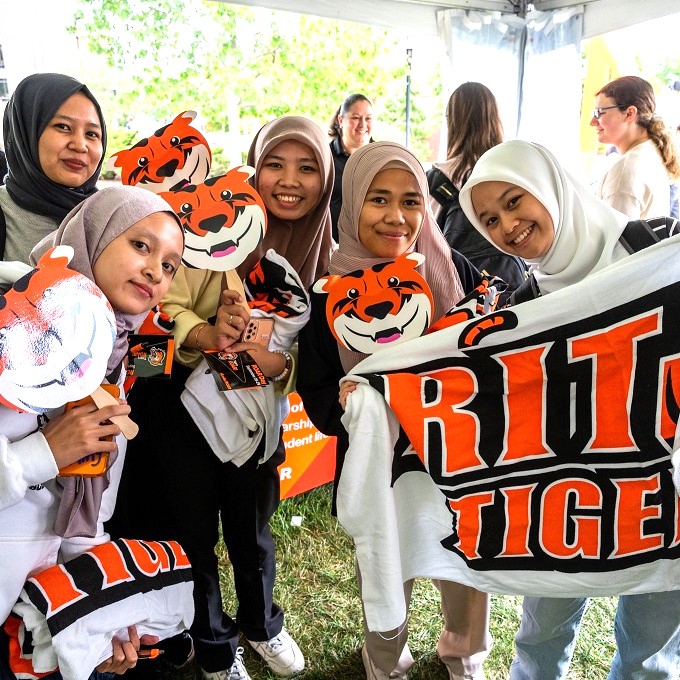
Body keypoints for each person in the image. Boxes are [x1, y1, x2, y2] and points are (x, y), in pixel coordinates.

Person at [108, 115, 334, 680]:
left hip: (257, 414)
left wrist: (281, 360)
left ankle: (261, 623)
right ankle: (214, 641)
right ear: (251, 173)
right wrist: (201, 332)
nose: (290, 180)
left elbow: (326, 349)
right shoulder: (184, 229)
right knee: (194, 533)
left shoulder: (329, 256)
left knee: (252, 526)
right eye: (275, 164)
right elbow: (149, 305)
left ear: (326, 178)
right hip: (179, 408)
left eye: (307, 166)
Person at [458, 139, 680, 680]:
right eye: (488, 219)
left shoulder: (657, 250)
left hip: (664, 493)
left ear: (550, 186)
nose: (506, 226)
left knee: (652, 648)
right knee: (541, 632)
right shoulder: (524, 308)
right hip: (566, 500)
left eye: (514, 201)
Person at [298, 141, 492, 680]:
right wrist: (350, 404)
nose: (396, 217)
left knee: (463, 562)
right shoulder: (327, 295)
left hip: (455, 463)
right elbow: (316, 394)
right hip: (380, 471)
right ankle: (386, 658)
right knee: (385, 562)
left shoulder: (457, 275)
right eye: (378, 199)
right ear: (352, 202)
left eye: (411, 200)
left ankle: (464, 648)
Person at [0, 184, 185, 678]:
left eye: (170, 265)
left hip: (30, 612)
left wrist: (92, 610)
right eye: (141, 246)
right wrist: (42, 452)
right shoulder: (12, 325)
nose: (154, 271)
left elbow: (94, 505)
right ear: (93, 237)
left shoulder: (115, 364)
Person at [426, 82, 526, 294]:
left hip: (460, 293)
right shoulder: (512, 170)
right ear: (494, 119)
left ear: (452, 122)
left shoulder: (436, 181)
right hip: (513, 289)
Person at [1, 72, 106, 263]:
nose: (80, 145)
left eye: (91, 134)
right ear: (26, 132)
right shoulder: (5, 211)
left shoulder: (108, 216)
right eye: (63, 127)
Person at [590, 75, 679, 219]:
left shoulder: (625, 170)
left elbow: (615, 240)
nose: (593, 122)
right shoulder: (651, 152)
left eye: (599, 112)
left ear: (630, 113)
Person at [328, 93, 374, 240]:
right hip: (333, 245)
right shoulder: (324, 158)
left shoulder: (383, 159)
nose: (363, 124)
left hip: (372, 247)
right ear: (340, 121)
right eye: (355, 118)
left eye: (368, 118)